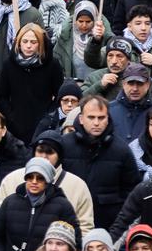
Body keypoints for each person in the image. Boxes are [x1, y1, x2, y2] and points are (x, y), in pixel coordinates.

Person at [60, 96, 140, 229]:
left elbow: (132, 192)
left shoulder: (122, 150)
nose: (96, 123)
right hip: (68, 222)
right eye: (91, 117)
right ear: (81, 119)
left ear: (108, 118)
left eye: (101, 117)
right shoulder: (64, 146)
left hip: (108, 226)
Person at [0, 157, 81, 251]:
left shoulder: (62, 205)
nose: (34, 181)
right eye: (30, 177)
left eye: (40, 178)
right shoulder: (10, 202)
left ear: (48, 181)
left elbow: (75, 241)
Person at [0, 23, 63, 143]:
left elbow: (59, 95)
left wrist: (48, 117)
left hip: (43, 125)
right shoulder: (9, 65)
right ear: (19, 43)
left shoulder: (52, 65)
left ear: (40, 44)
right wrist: (11, 119)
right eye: (25, 41)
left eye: (33, 42)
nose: (28, 46)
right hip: (15, 126)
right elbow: (1, 97)